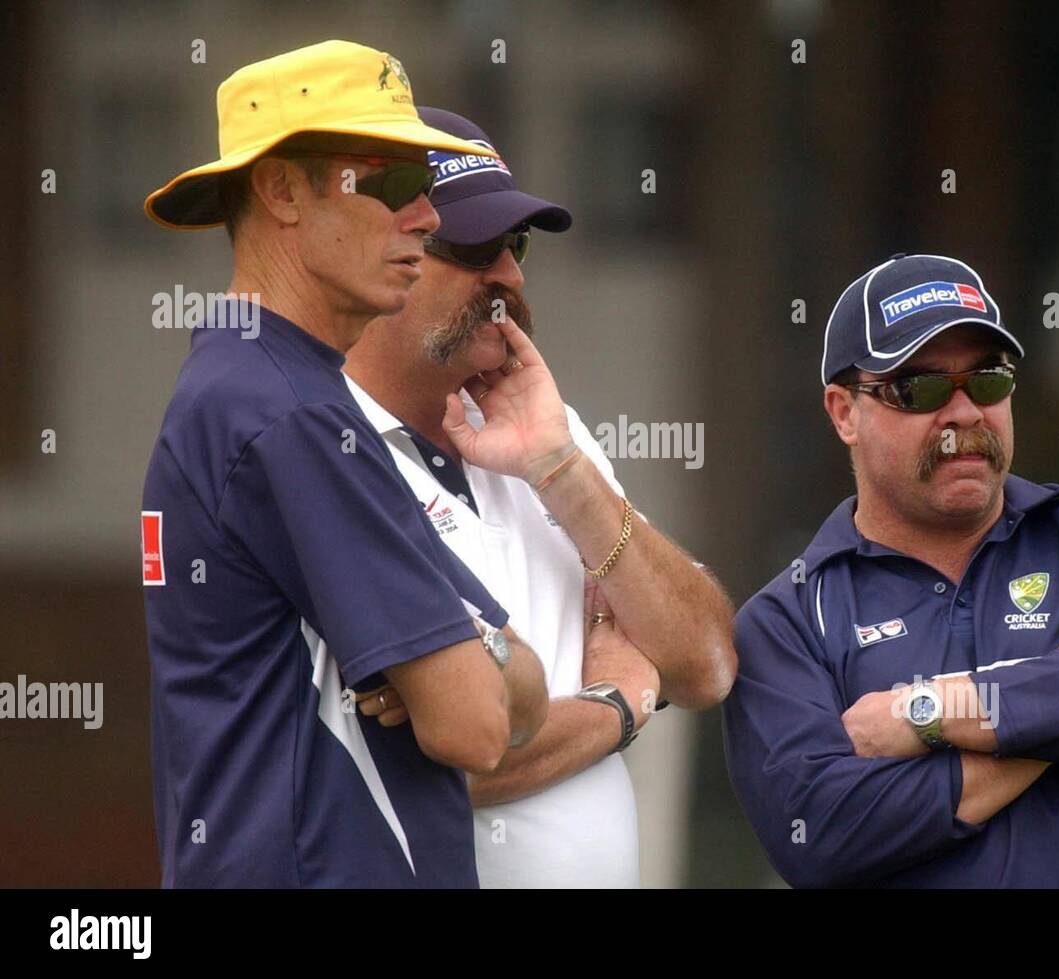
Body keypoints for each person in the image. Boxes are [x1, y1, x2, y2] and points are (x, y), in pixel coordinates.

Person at [141, 41, 548, 888]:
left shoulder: (271, 391)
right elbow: (479, 725)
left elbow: (529, 689)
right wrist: (466, 660)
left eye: (429, 188)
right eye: (394, 182)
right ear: (281, 189)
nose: (429, 218)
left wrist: (458, 654)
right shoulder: (285, 414)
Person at [723, 253, 1059, 887]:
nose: (964, 413)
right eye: (920, 388)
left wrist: (923, 713)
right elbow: (821, 830)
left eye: (986, 380)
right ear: (844, 412)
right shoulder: (788, 618)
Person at [344, 107, 737, 887]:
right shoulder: (324, 452)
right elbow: (417, 767)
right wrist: (616, 705)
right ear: (383, 256)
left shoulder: (540, 430)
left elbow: (708, 663)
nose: (511, 276)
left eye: (515, 245)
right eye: (473, 247)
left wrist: (562, 468)